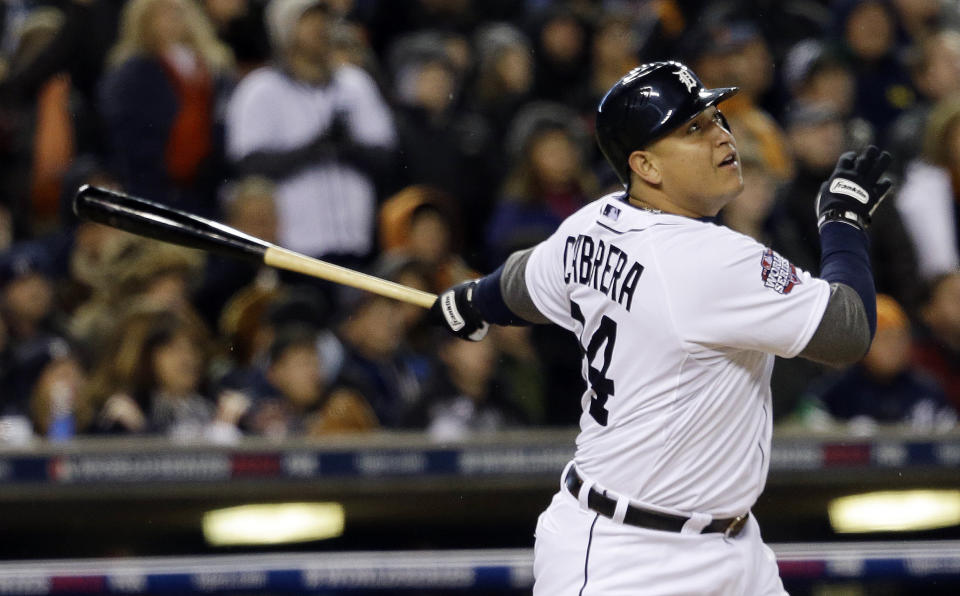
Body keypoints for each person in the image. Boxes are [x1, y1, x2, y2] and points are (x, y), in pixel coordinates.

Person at [432, 61, 892, 594]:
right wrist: (842, 221)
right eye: (693, 129)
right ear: (645, 165)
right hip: (629, 561)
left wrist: (473, 301)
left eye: (716, 118)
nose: (722, 135)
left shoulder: (591, 222)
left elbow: (518, 284)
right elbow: (848, 331)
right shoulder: (708, 259)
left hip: (731, 548)